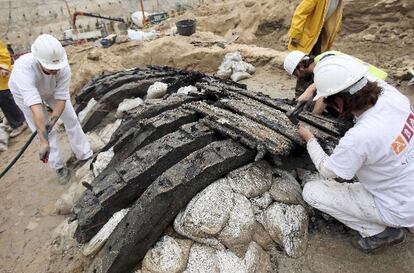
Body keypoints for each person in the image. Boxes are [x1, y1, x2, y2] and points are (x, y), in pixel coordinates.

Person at [297, 55, 414, 251]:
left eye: (329, 101)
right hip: (406, 186)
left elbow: (328, 171)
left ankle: (382, 233)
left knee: (312, 192)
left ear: (341, 101)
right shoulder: (393, 95)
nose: (329, 105)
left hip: (399, 206)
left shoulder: (361, 135)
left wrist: (310, 139)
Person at [8, 34, 92, 183]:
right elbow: (35, 108)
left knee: (71, 119)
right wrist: (44, 141)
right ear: (39, 60)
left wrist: (53, 119)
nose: (56, 70)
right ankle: (58, 166)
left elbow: (61, 97)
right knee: (42, 130)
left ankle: (85, 154)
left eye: (57, 67)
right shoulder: (24, 70)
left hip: (51, 89)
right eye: (51, 68)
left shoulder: (63, 67)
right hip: (23, 93)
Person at [283, 50, 388, 114]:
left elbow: (324, 97)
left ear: (300, 67)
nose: (297, 78)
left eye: (295, 74)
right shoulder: (323, 60)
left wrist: (313, 117)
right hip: (371, 87)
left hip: (375, 89)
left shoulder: (324, 64)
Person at [287, 0, 344, 94]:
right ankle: (300, 94)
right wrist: (295, 34)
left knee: (317, 64)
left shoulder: (339, 2)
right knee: (304, 64)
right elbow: (301, 12)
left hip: (320, 33)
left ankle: (311, 94)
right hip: (307, 34)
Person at [0, 39, 27, 138]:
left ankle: (19, 123)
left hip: (2, 77)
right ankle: (15, 122)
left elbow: (3, 54)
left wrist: (3, 67)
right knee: (4, 102)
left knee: (6, 100)